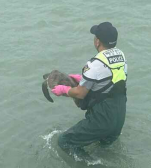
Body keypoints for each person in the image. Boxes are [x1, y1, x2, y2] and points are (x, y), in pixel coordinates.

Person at [51, 22, 128, 158]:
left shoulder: (94, 64)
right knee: (104, 147)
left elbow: (80, 94)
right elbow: (110, 80)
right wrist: (83, 78)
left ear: (97, 41)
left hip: (102, 118)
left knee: (64, 141)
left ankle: (90, 167)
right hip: (119, 116)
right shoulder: (121, 56)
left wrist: (64, 90)